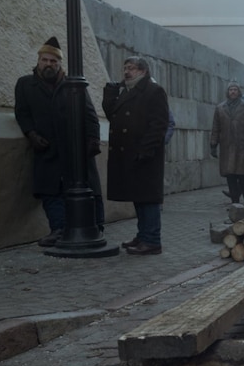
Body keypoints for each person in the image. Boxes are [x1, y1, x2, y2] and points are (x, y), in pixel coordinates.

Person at [14, 37, 105, 247]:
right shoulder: (25, 84)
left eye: (53, 61)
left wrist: (93, 139)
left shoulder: (73, 84)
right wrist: (32, 134)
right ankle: (58, 229)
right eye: (45, 60)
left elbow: (90, 114)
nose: (49, 64)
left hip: (76, 146)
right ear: (38, 61)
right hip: (47, 146)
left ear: (59, 64)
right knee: (50, 190)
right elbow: (23, 113)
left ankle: (95, 226)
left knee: (89, 188)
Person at [102, 56, 169, 255]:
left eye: (131, 68)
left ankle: (152, 240)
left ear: (143, 71)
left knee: (148, 199)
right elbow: (113, 116)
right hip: (130, 155)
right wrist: (110, 94)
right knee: (138, 198)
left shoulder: (153, 91)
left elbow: (159, 125)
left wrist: (145, 150)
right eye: (125, 68)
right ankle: (143, 236)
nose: (126, 72)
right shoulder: (127, 91)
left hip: (146, 156)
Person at [210, 81, 244, 206]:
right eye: (231, 89)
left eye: (235, 90)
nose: (233, 92)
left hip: (242, 146)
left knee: (242, 175)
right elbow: (216, 127)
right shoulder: (220, 108)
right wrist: (213, 145)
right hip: (226, 146)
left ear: (239, 92)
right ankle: (235, 202)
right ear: (228, 92)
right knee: (230, 176)